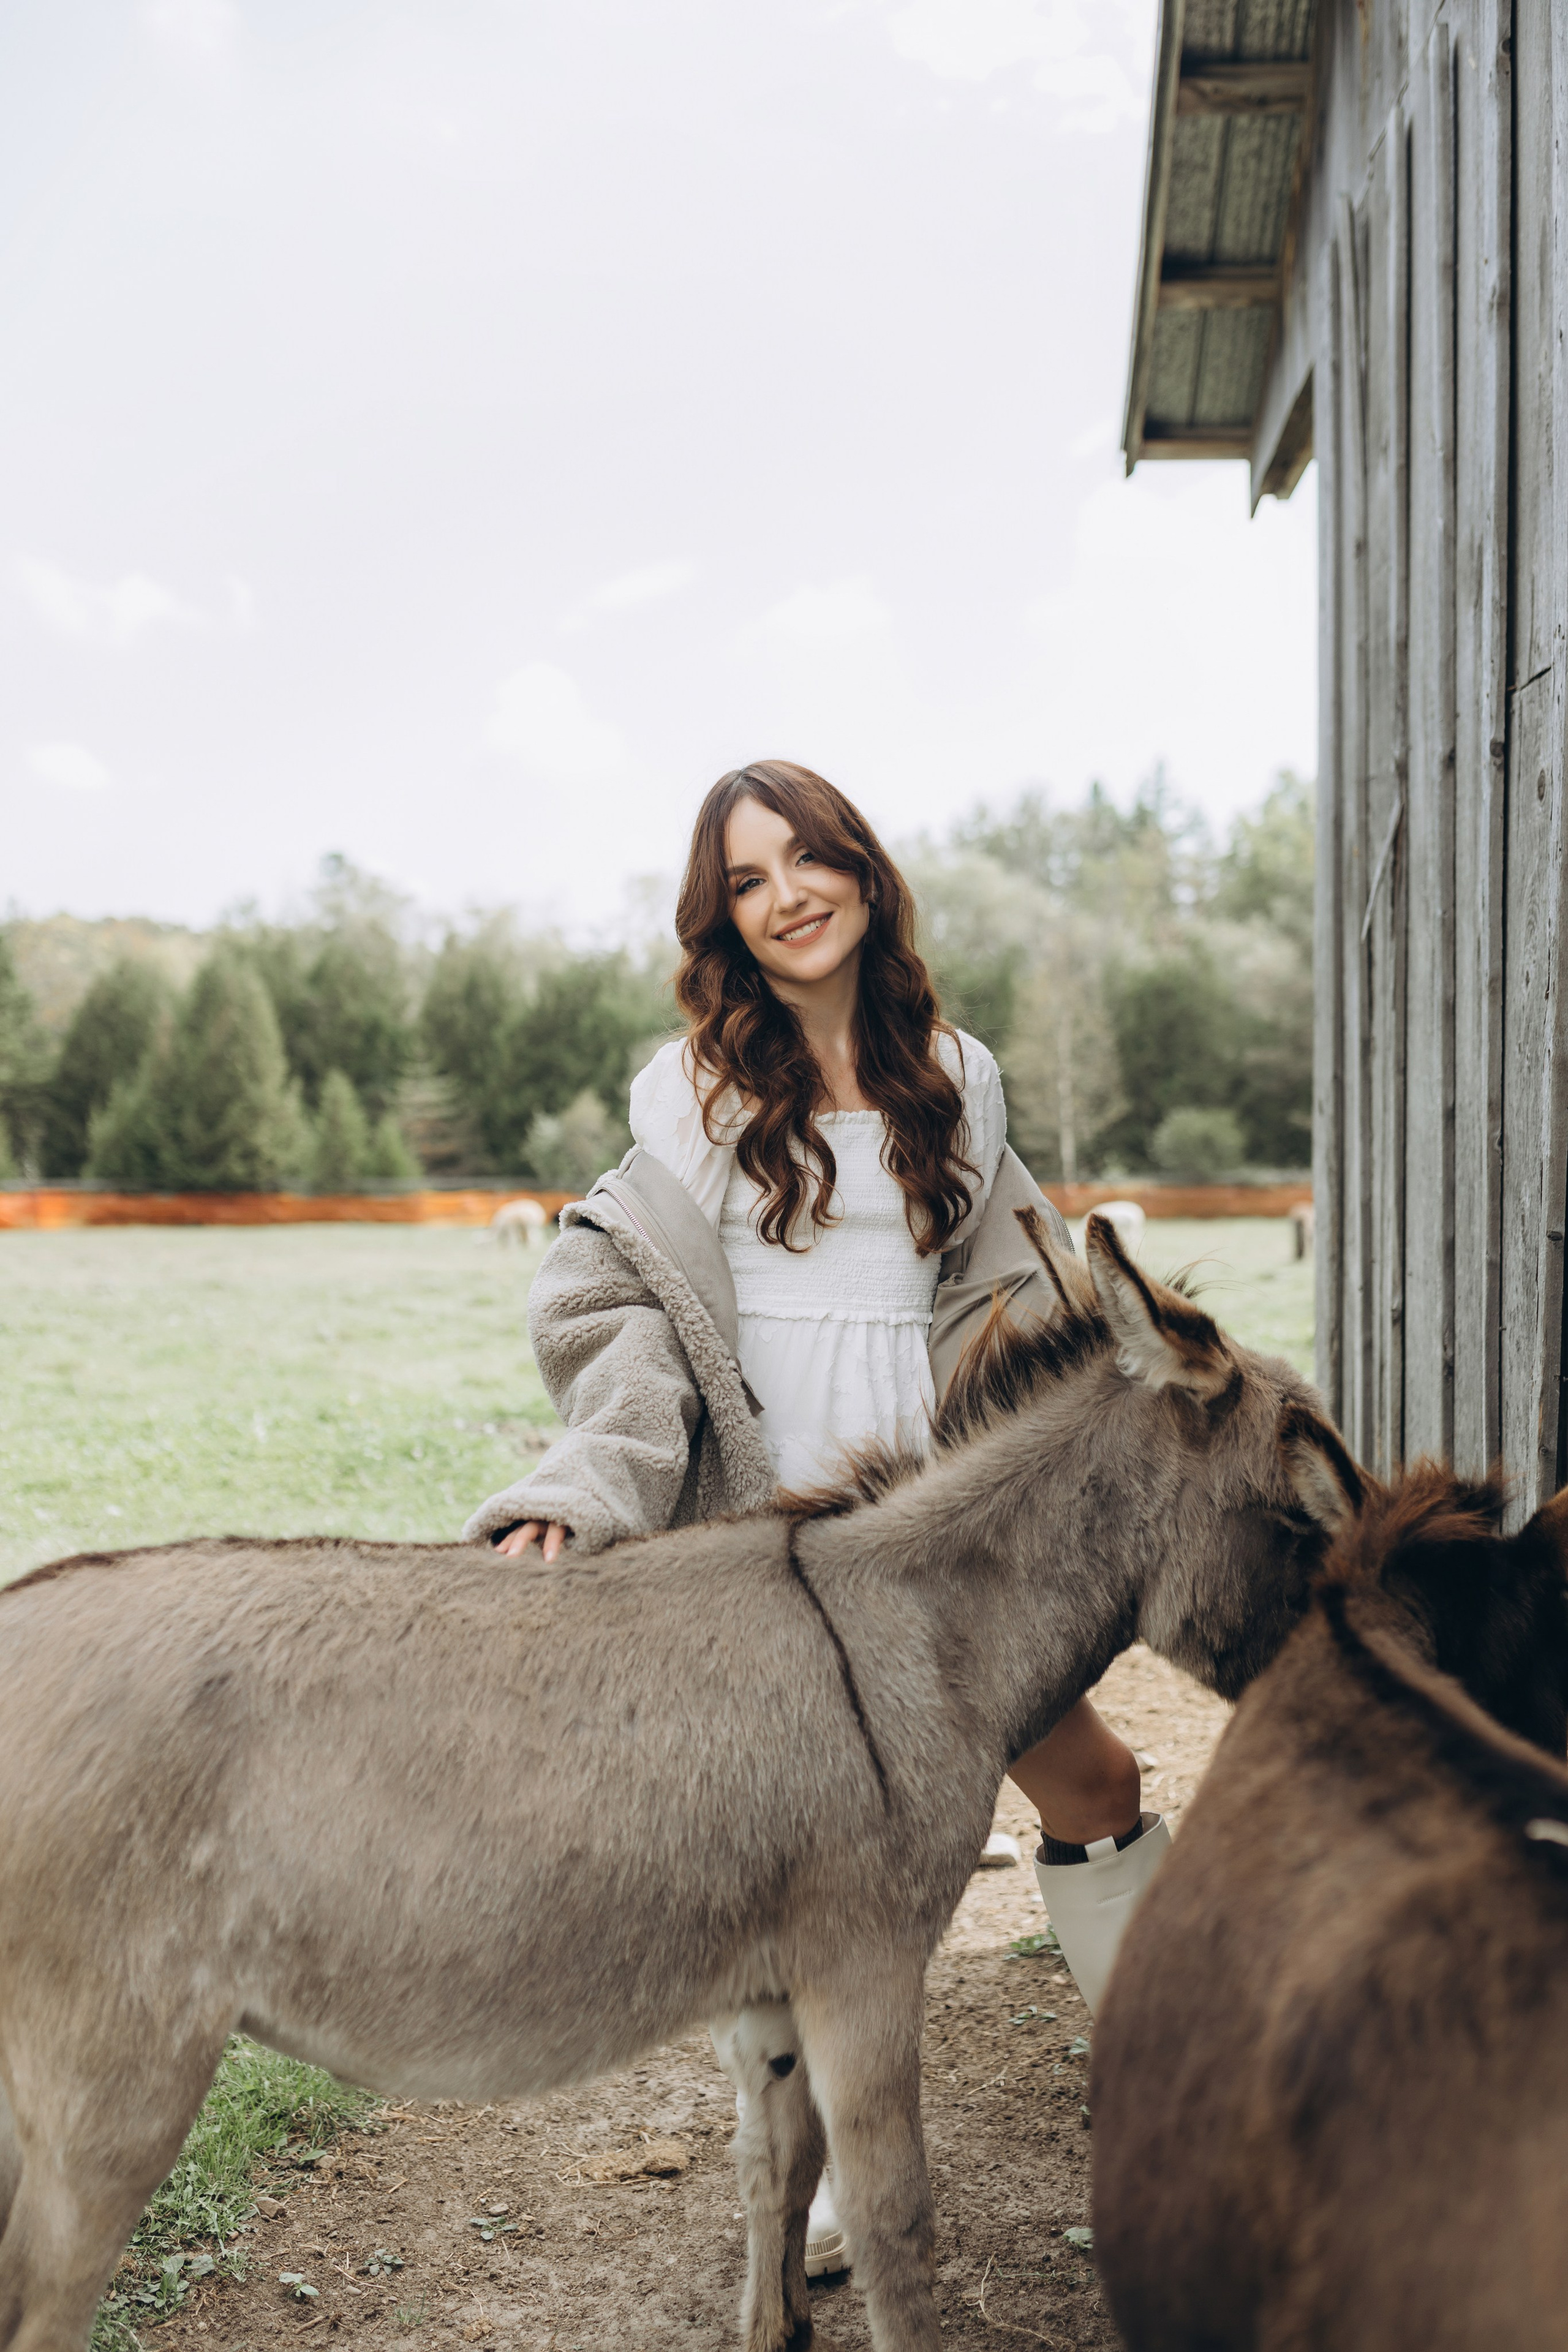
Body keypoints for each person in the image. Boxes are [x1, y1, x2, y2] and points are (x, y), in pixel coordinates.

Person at [466, 760, 1168, 2275]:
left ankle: (1187, 2083)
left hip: (931, 1517)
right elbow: (628, 1327)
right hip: (770, 1524)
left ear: (861, 871)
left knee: (1091, 1777)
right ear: (720, 915)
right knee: (800, 1862)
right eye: (747, 879)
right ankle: (833, 2172)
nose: (785, 896)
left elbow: (1020, 1295)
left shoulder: (956, 1077)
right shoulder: (695, 1090)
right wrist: (582, 1491)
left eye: (806, 860)